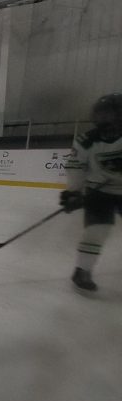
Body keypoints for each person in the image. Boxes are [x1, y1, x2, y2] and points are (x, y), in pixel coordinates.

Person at [61, 93, 122, 294]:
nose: (103, 119)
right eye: (100, 114)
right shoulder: (86, 141)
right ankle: (82, 270)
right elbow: (76, 167)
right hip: (99, 192)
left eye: (108, 115)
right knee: (96, 232)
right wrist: (73, 193)